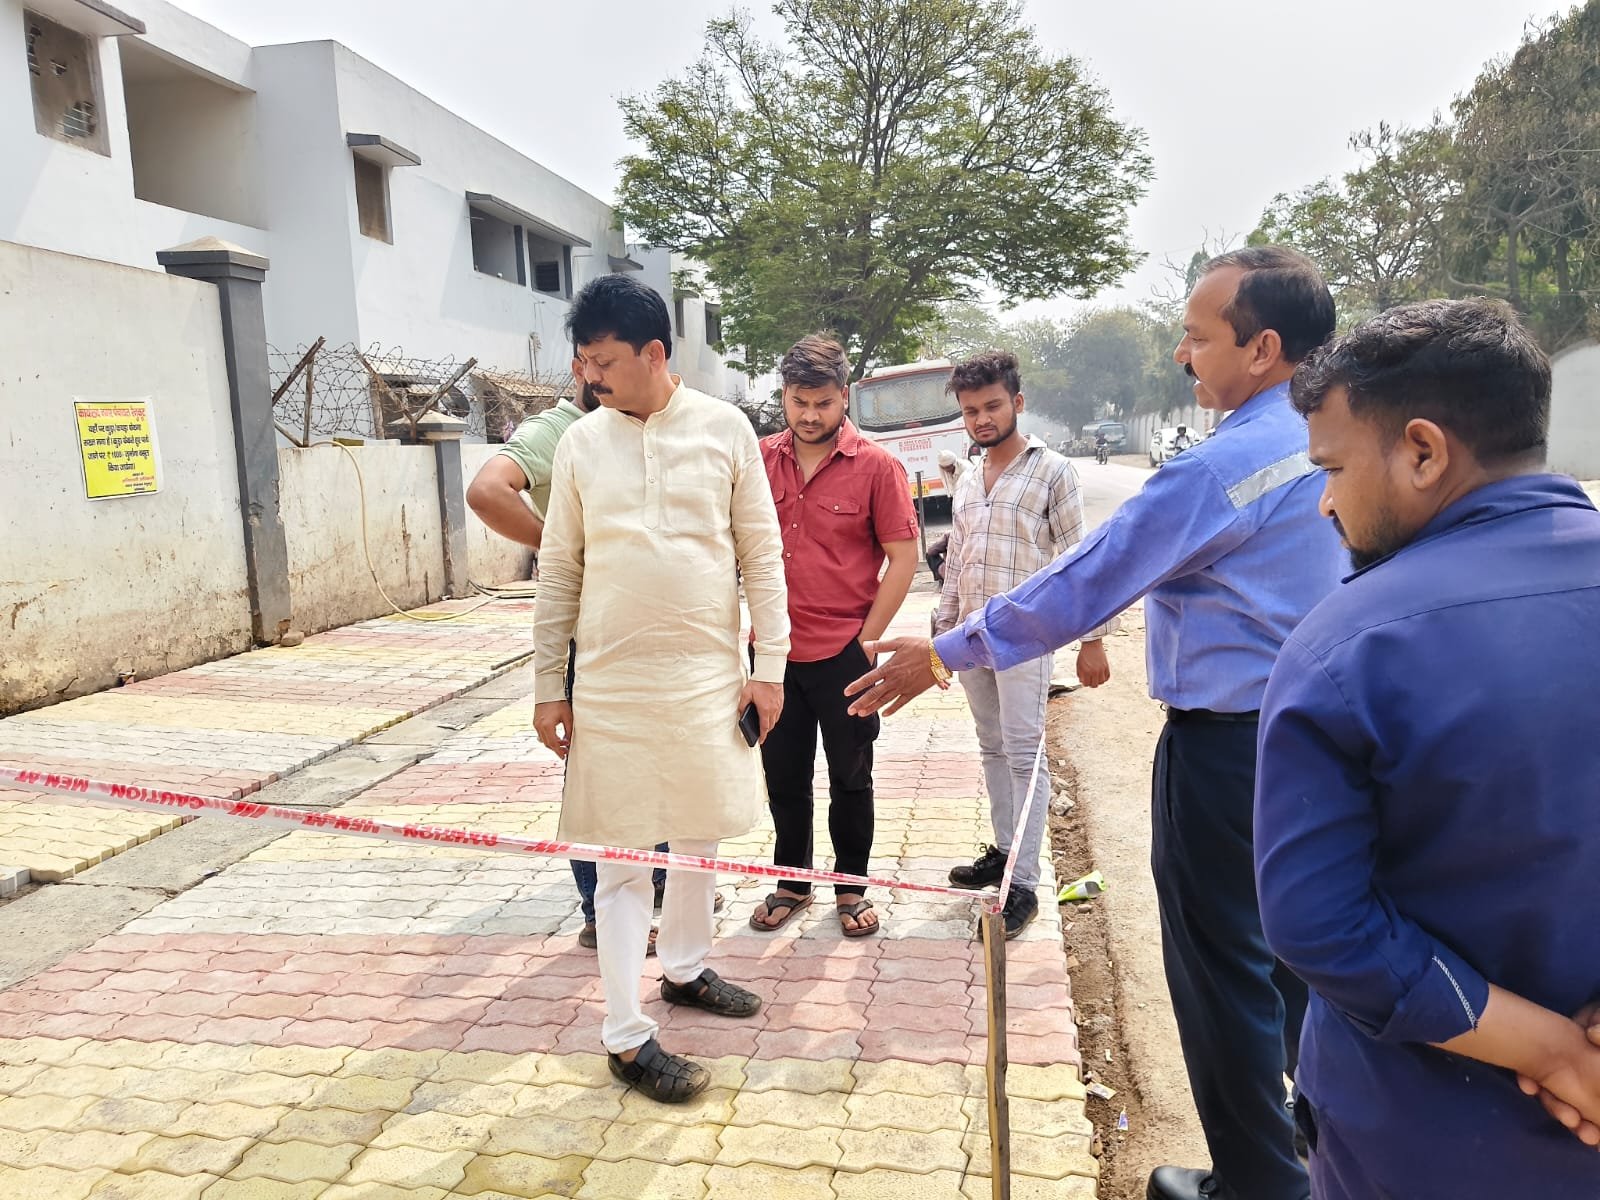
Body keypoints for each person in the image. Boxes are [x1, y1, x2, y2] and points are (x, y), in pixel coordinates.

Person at [846, 247, 1345, 1200]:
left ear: (1263, 348)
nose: (1181, 356)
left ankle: (1258, 1182)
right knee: (1301, 955)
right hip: (1325, 737)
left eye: (1197, 337)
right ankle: (1317, 1144)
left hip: (1230, 748)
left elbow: (1085, 577)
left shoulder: (1221, 466)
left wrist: (946, 651)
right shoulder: (1341, 440)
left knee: (1223, 970)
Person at [1255, 298, 1600, 1199]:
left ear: (1421, 451)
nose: (1327, 502)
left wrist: (1555, 1052)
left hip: (1420, 1139)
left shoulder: (1347, 647)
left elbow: (1319, 925)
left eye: (1333, 468)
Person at [532, 274, 790, 1103]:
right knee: (619, 863)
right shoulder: (580, 443)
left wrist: (771, 670)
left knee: (698, 836)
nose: (590, 376)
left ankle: (684, 968)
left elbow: (761, 554)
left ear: (653, 353)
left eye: (603, 361)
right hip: (609, 684)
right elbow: (559, 568)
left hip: (706, 678)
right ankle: (625, 1035)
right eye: (583, 362)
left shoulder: (725, 428)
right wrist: (548, 684)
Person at [465, 366, 695, 949]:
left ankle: (655, 883)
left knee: (652, 760)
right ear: (582, 366)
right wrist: (557, 541)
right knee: (597, 772)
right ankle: (598, 910)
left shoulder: (632, 427)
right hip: (590, 636)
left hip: (644, 634)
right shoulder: (560, 430)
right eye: (601, 360)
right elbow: (487, 491)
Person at [933, 351, 1117, 938]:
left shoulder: (1053, 471)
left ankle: (1025, 883)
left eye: (992, 406)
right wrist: (941, 634)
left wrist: (1092, 641)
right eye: (971, 411)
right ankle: (1004, 850)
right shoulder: (969, 477)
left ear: (1017, 402)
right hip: (971, 638)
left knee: (1023, 753)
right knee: (991, 746)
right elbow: (957, 561)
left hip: (1026, 640)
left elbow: (1080, 560)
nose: (981, 419)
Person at [748, 335, 919, 937]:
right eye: (799, 402)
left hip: (845, 651)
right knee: (783, 777)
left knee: (851, 776)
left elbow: (904, 557)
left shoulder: (877, 467)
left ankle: (851, 888)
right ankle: (792, 883)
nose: (810, 415)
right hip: (773, 653)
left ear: (844, 396)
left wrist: (868, 641)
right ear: (784, 397)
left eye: (823, 402)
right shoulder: (758, 460)